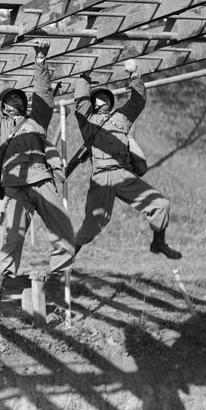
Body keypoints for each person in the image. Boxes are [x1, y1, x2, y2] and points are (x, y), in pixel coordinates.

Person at [0, 41, 74, 318]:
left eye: (19, 101)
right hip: (15, 187)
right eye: (10, 101)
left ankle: (54, 281)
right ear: (3, 106)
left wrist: (40, 61)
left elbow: (44, 93)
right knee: (12, 238)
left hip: (40, 180)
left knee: (64, 233)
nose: (15, 104)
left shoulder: (37, 120)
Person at [72, 60, 181, 260]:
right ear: (93, 103)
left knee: (160, 204)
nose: (102, 99)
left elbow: (138, 101)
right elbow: (80, 102)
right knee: (93, 223)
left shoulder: (121, 117)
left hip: (123, 173)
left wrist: (135, 75)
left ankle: (158, 243)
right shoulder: (88, 121)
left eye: (106, 96)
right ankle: (67, 256)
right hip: (102, 176)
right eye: (98, 97)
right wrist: (84, 76)